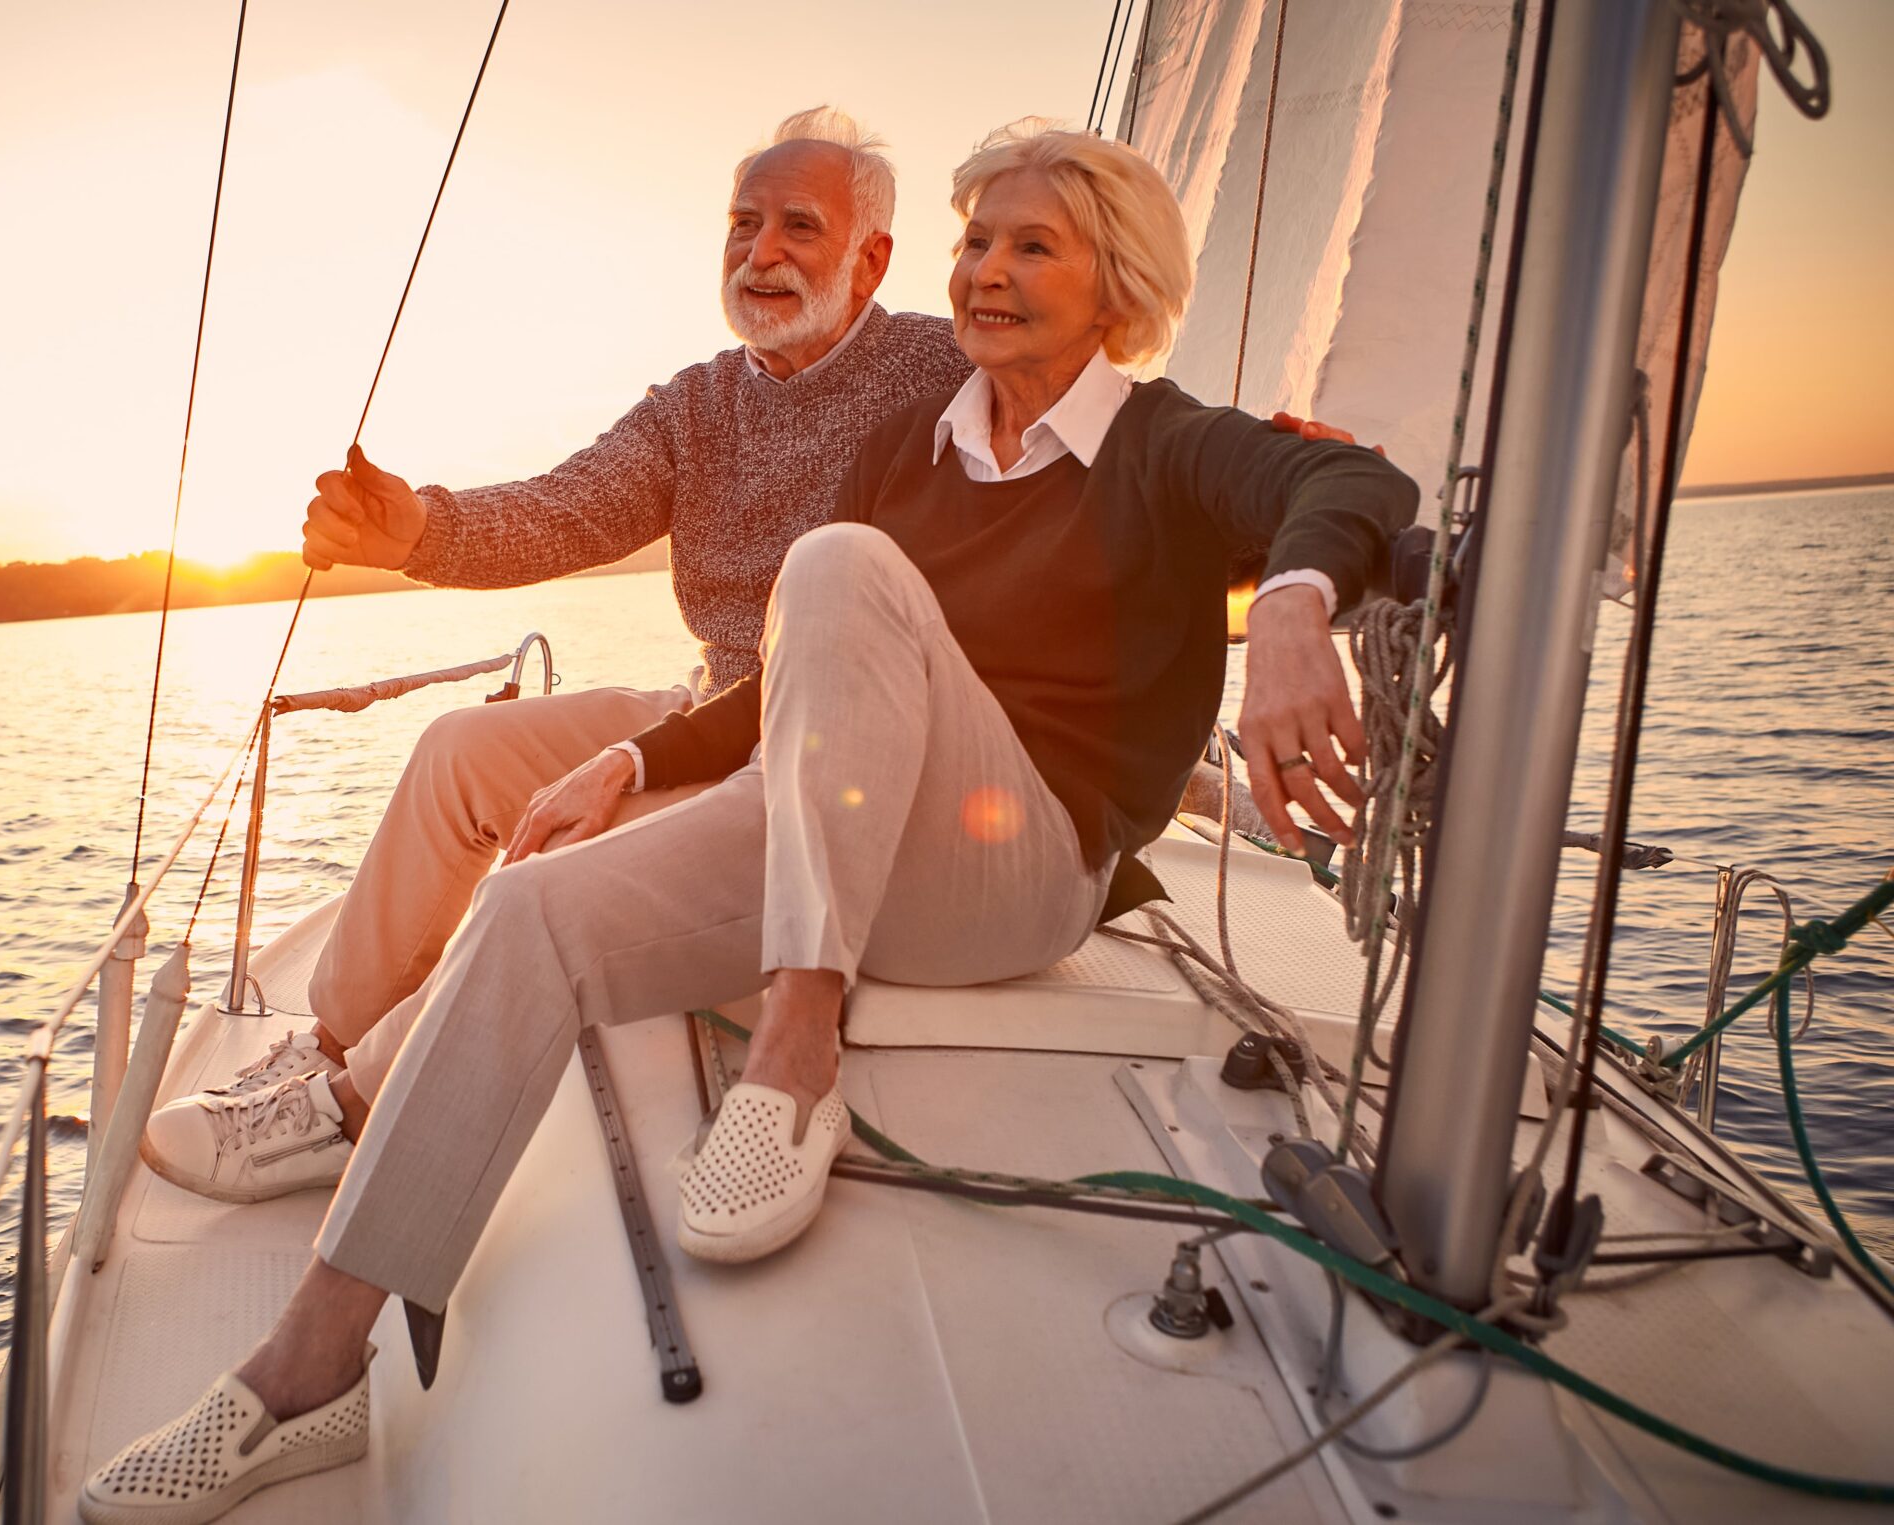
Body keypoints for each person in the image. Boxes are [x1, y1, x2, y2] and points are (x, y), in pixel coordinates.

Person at [77, 121, 1417, 1525]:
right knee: (532, 906)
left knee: (835, 563)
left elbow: (1353, 488)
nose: (990, 271)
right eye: (980, 242)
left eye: (1035, 246)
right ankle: (308, 1370)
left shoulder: (1163, 441)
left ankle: (796, 1047)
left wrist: (1289, 608)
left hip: (1020, 869)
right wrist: (635, 760)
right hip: (848, 816)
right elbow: (790, 670)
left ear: (1117, 282)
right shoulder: (914, 441)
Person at [136, 106, 971, 1203]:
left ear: (869, 258)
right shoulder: (699, 403)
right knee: (460, 753)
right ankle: (328, 1047)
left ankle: (369, 1100)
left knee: (569, 849)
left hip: (826, 753)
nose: (759, 252)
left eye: (797, 227)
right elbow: (563, 510)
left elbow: (1090, 430)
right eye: (742, 221)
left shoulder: (943, 367)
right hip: (708, 707)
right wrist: (416, 533)